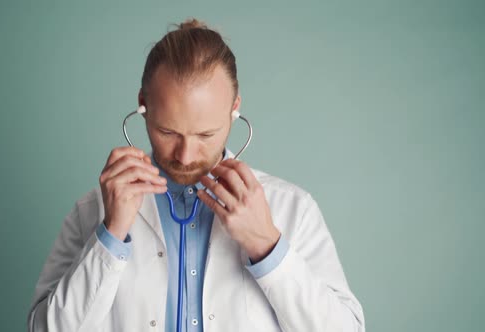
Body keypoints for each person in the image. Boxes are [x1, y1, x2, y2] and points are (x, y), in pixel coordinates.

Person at [27, 18, 365, 332]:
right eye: (167, 131)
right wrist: (110, 237)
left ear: (235, 109)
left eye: (205, 135)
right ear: (143, 104)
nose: (185, 156)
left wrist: (267, 246)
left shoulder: (292, 209)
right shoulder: (93, 211)